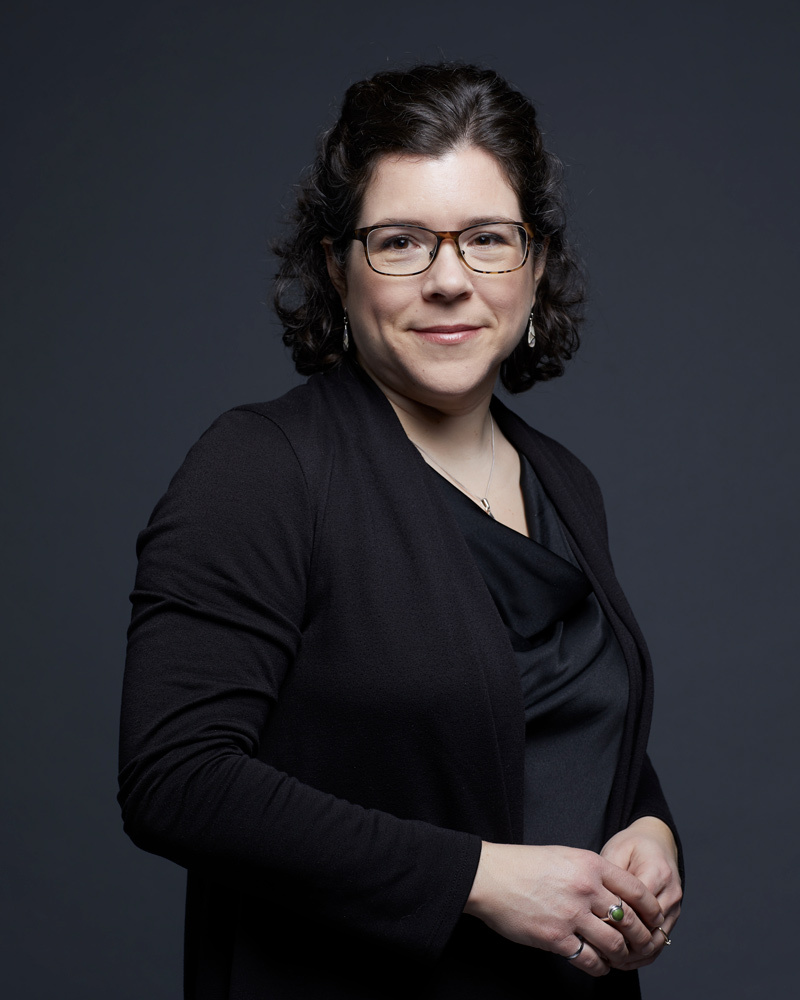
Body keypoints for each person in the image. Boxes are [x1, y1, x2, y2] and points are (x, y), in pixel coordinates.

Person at [118, 63, 682, 999]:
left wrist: (652, 830)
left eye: (489, 240)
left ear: (535, 266)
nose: (451, 281)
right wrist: (477, 880)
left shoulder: (562, 480)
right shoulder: (262, 468)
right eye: (402, 242)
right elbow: (175, 779)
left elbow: (541, 723)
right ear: (336, 269)